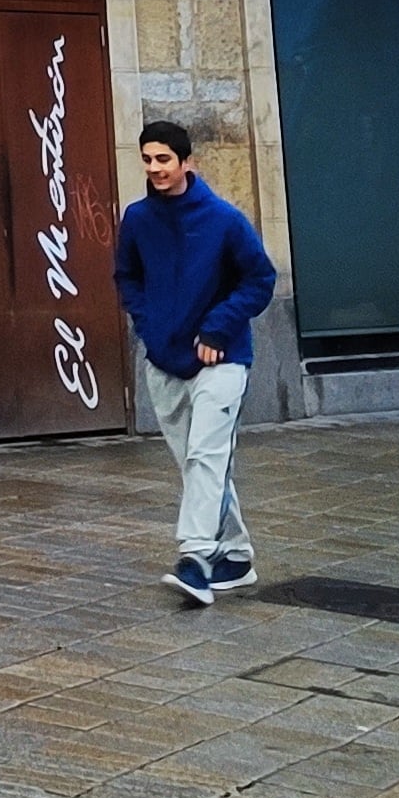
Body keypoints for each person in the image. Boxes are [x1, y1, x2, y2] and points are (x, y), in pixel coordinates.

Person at [110, 118, 275, 604]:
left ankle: (196, 559)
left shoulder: (224, 220)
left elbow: (259, 280)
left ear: (187, 162)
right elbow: (127, 278)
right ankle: (238, 555)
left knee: (206, 457)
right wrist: (151, 328)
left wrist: (218, 327)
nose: (155, 168)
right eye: (148, 159)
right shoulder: (138, 220)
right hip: (164, 362)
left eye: (164, 159)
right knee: (198, 464)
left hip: (222, 361)